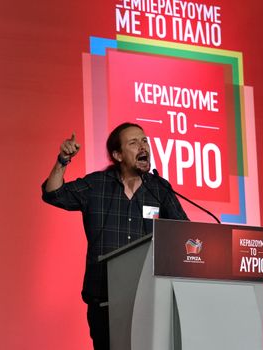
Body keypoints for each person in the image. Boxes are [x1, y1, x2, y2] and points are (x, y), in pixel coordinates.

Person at [42, 122, 188, 349]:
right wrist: (63, 160)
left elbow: (185, 232)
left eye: (144, 141)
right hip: (104, 298)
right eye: (133, 142)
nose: (143, 146)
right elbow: (53, 194)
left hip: (148, 298)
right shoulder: (96, 185)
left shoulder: (159, 188)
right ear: (118, 155)